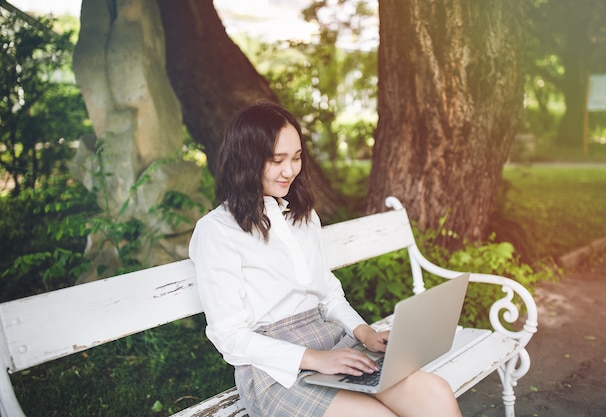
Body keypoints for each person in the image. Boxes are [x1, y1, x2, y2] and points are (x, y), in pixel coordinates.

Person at [189, 101, 462, 417]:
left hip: (332, 342)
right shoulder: (217, 230)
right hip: (274, 369)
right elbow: (229, 337)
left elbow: (328, 294)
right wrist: (315, 359)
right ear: (246, 161)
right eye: (277, 160)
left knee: (435, 394)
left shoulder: (301, 215)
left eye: (296, 158)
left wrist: (364, 333)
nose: (289, 171)